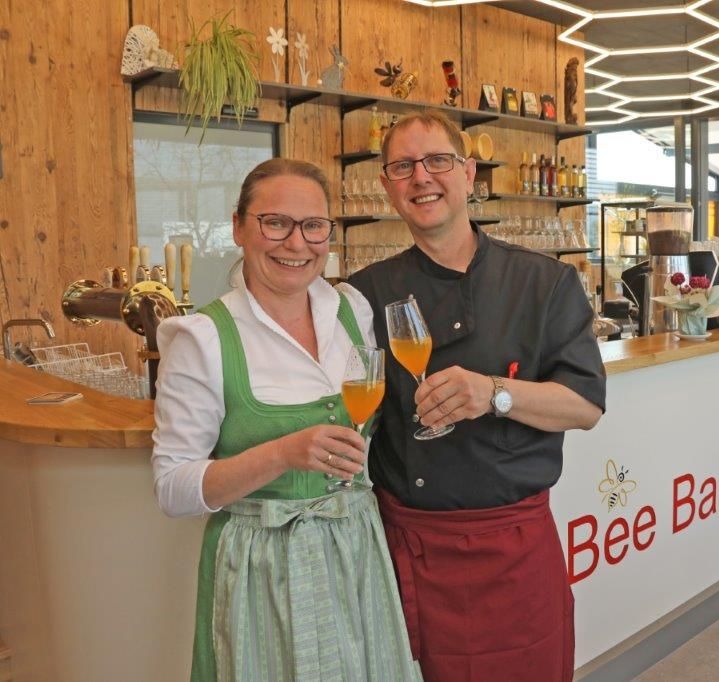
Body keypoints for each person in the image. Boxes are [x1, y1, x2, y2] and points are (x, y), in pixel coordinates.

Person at [347, 110, 606, 682]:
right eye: (403, 166)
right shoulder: (365, 294)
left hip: (514, 548)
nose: (422, 177)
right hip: (410, 549)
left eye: (438, 161)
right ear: (389, 186)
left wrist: (493, 394)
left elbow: (585, 405)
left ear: (469, 174)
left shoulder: (545, 282)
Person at [152, 159, 421, 682]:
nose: (296, 244)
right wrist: (282, 454)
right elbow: (172, 488)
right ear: (238, 227)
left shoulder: (352, 310)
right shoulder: (203, 337)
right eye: (275, 222)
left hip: (357, 546)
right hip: (262, 568)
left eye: (313, 226)